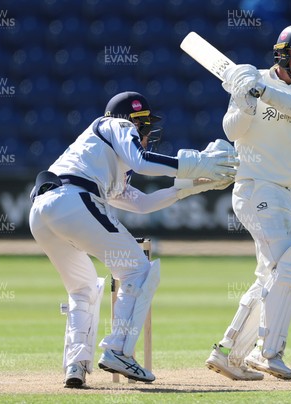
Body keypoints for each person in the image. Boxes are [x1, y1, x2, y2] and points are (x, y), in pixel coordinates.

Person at [29, 91, 238, 388]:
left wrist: (191, 187)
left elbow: (141, 203)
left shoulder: (101, 160)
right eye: (145, 126)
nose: (146, 133)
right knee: (138, 270)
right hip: (73, 199)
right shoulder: (115, 125)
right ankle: (118, 350)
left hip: (42, 211)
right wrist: (197, 163)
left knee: (83, 288)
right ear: (135, 123)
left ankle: (76, 365)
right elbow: (140, 162)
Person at [205, 24, 291, 381]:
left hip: (285, 193)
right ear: (281, 55)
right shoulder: (250, 80)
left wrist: (262, 91)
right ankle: (268, 352)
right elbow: (232, 130)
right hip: (255, 187)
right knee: (290, 269)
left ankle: (228, 352)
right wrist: (245, 101)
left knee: (269, 278)